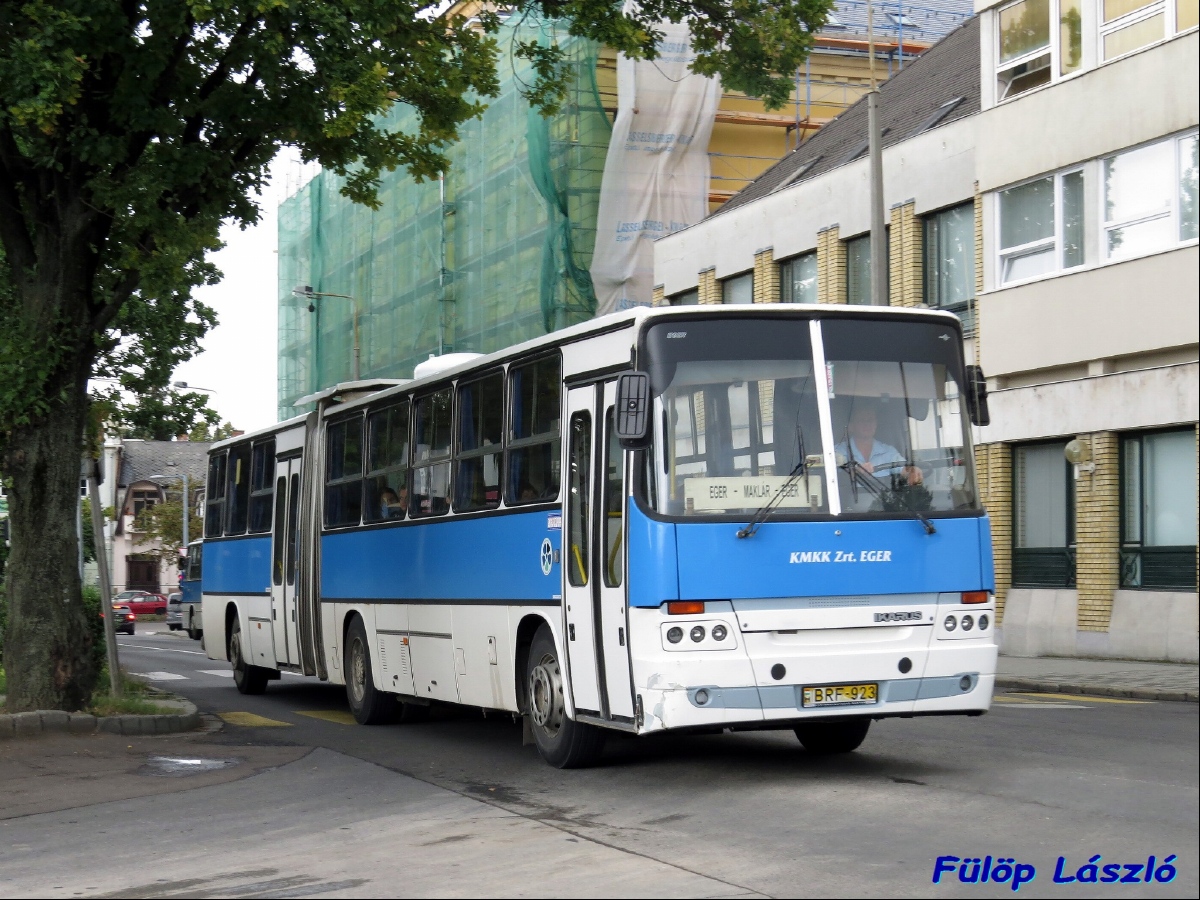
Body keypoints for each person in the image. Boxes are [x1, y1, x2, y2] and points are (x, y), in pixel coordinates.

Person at [834, 403, 923, 486]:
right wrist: (854, 471)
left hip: (884, 500)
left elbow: (904, 469)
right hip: (846, 501)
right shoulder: (838, 451)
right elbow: (833, 474)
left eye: (870, 420)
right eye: (862, 420)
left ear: (876, 424)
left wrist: (912, 471)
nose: (867, 424)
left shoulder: (888, 452)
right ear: (851, 426)